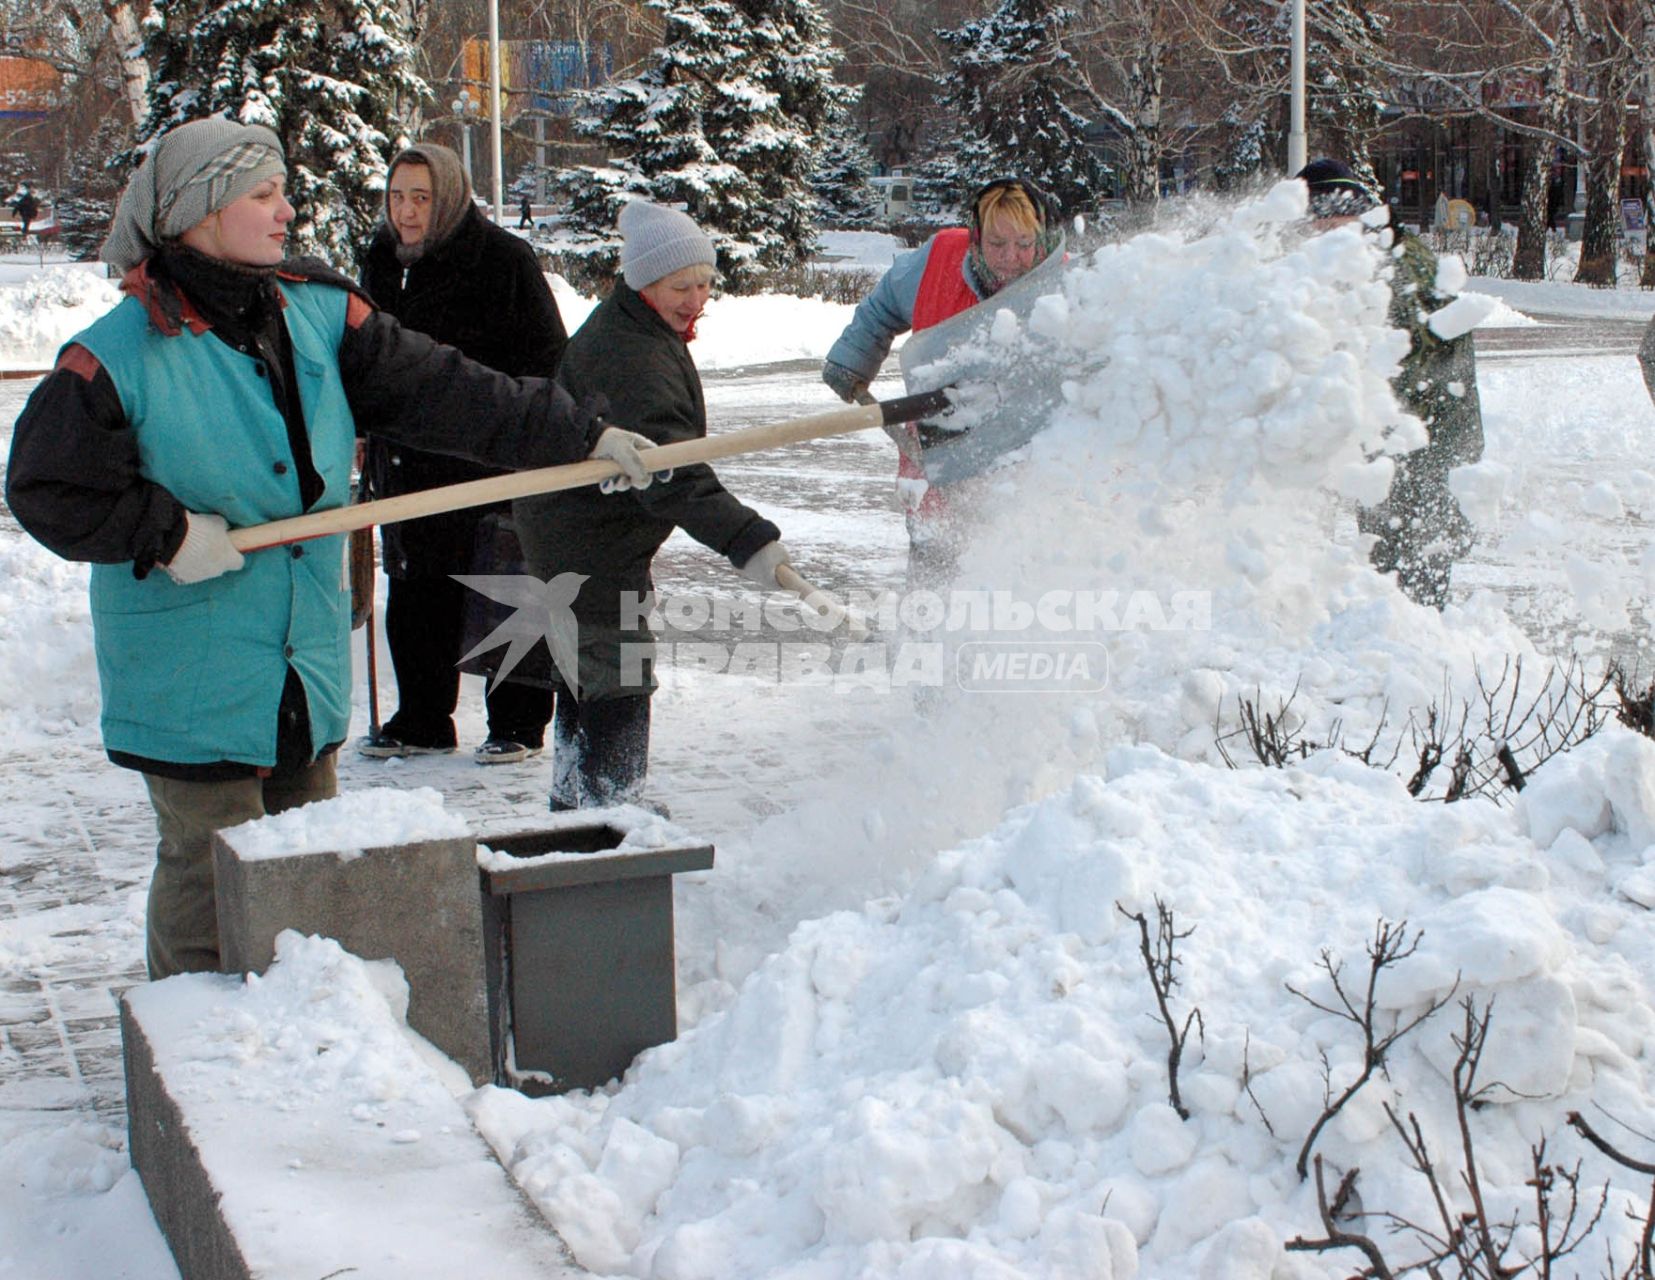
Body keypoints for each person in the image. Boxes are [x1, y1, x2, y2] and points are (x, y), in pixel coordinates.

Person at [1, 116, 657, 980]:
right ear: (200, 209)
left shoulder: (317, 311)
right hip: (191, 667)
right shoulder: (116, 355)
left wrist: (579, 435)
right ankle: (194, 1062)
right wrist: (163, 534)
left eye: (282, 191)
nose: (286, 211)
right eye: (262, 194)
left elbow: (448, 391)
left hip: (298, 659)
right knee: (209, 869)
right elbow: (45, 488)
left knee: (307, 870)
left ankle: (299, 1046)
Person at [514, 200, 788, 811]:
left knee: (585, 668)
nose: (695, 299)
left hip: (579, 528)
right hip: (587, 537)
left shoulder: (637, 326)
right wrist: (748, 538)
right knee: (618, 667)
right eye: (680, 285)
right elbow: (672, 473)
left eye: (704, 283)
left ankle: (576, 801)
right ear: (644, 281)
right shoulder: (632, 354)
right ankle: (611, 810)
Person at [358, 143, 561, 765]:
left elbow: (548, 356)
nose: (407, 212)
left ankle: (519, 723)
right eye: (396, 197)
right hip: (410, 459)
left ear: (447, 196)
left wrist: (527, 433)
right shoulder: (382, 262)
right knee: (418, 588)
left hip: (490, 457)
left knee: (508, 582)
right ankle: (422, 717)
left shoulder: (501, 260)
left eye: (421, 197)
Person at [819, 177, 1061, 586]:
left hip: (1018, 451)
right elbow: (884, 306)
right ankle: (929, 638)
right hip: (934, 440)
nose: (1010, 258)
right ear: (976, 237)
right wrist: (851, 362)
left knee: (1010, 559)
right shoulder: (940, 257)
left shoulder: (1062, 287)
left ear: (1041, 238)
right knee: (934, 554)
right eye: (997, 244)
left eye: (1023, 243)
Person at [1296, 158, 1485, 610]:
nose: (1315, 237)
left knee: (1410, 579)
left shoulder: (1397, 266)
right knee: (1391, 566)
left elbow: (1402, 355)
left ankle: (1420, 659)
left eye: (1320, 224)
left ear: (1339, 214)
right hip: (1403, 442)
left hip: (1429, 443)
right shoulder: (1373, 255)